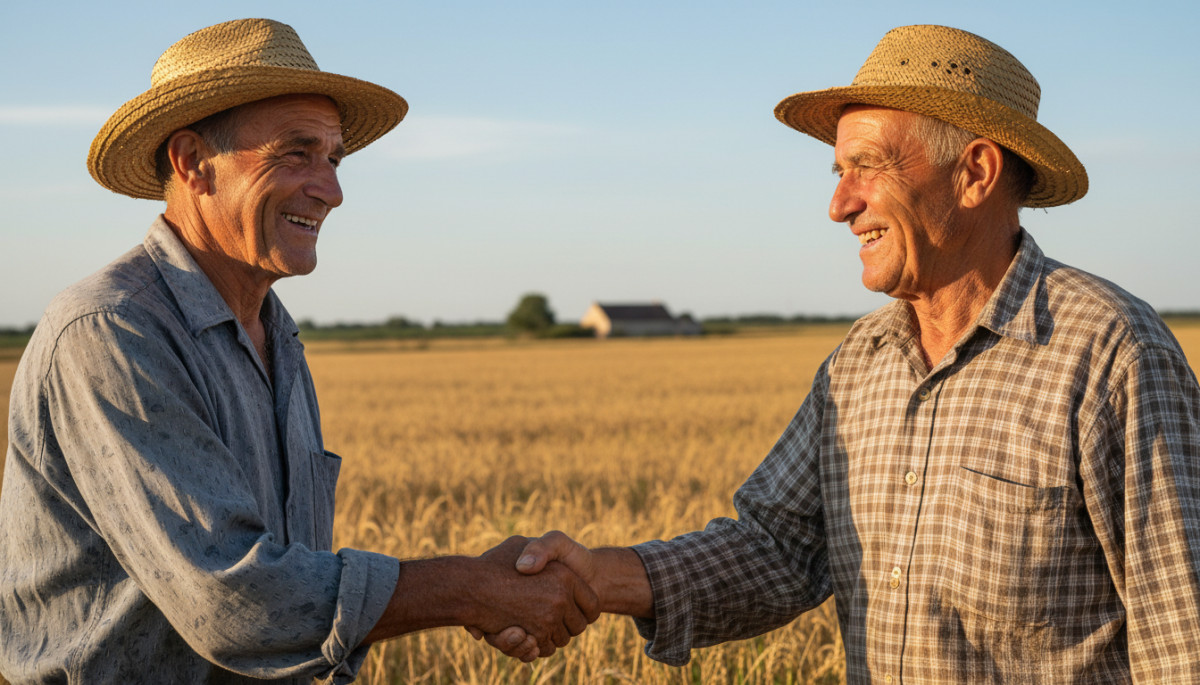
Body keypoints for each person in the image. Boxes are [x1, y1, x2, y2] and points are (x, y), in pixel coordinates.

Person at [490, 24, 1200, 682]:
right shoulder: (858, 364)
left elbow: (1184, 635)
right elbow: (777, 548)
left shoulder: (1110, 354)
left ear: (975, 173)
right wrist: (594, 576)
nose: (839, 204)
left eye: (866, 166)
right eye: (837, 171)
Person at [0, 18, 595, 684]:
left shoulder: (274, 334)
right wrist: (467, 587)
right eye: (296, 153)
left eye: (334, 159)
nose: (331, 190)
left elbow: (293, 607)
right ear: (193, 162)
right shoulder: (111, 330)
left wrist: (485, 583)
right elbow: (232, 601)